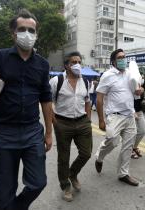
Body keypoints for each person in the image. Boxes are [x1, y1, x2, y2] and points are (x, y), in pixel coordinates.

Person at [0, 9, 52, 210]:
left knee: (38, 183)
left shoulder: (43, 65)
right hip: (2, 133)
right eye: (22, 29)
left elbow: (46, 99)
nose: (27, 34)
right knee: (4, 190)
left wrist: (49, 133)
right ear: (13, 33)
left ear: (36, 34)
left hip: (32, 132)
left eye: (32, 30)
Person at [49, 51, 92, 202]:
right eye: (73, 62)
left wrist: (88, 119)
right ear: (66, 65)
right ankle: (65, 186)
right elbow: (48, 102)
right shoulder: (56, 81)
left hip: (82, 122)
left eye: (79, 61)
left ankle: (72, 174)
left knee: (86, 153)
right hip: (63, 123)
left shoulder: (86, 82)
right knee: (63, 158)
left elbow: (87, 101)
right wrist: (54, 121)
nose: (77, 64)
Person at [94, 48, 141, 186]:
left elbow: (136, 92)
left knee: (128, 146)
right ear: (114, 61)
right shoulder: (107, 75)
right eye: (120, 58)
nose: (123, 60)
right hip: (114, 116)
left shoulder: (130, 74)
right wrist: (101, 120)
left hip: (129, 115)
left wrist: (140, 90)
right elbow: (99, 98)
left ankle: (123, 174)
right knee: (113, 141)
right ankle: (100, 156)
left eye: (124, 57)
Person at [131, 84, 145, 159]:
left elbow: (139, 101)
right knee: (133, 133)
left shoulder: (141, 86)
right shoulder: (130, 85)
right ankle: (130, 149)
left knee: (142, 131)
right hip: (130, 112)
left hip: (139, 112)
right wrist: (132, 112)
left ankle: (134, 147)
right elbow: (127, 100)